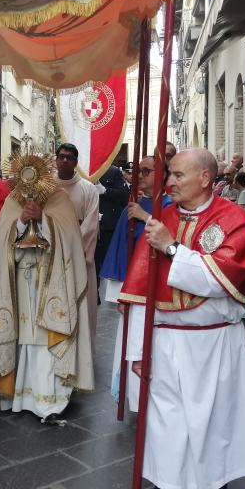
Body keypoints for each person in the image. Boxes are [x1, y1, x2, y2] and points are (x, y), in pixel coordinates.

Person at [120, 148, 245, 489]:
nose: (168, 181)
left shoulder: (235, 220)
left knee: (213, 439)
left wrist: (172, 250)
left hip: (217, 347)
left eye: (178, 175)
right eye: (168, 174)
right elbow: (141, 294)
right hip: (166, 347)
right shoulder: (161, 220)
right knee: (167, 439)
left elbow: (219, 281)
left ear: (204, 178)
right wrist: (138, 353)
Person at [0, 169, 93, 422]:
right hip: (19, 282)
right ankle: (16, 395)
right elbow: (0, 246)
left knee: (44, 340)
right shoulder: (12, 200)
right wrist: (21, 221)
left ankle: (49, 400)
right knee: (22, 338)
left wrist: (43, 219)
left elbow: (70, 241)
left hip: (51, 283)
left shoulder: (59, 199)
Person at [99, 154, 172, 409]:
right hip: (134, 290)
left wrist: (144, 217)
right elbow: (120, 249)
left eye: (147, 171)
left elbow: (172, 242)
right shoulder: (133, 206)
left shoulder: (171, 205)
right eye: (138, 171)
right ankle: (134, 398)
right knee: (132, 342)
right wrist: (120, 293)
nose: (139, 175)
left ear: (162, 173)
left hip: (161, 290)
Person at [53, 142, 100, 336]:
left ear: (76, 162)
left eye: (70, 157)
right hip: (51, 256)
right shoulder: (46, 186)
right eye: (61, 156)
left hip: (79, 257)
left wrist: (70, 246)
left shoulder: (89, 189)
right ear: (56, 159)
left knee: (81, 306)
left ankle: (83, 355)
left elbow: (90, 225)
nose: (65, 160)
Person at [95, 164, 131, 279]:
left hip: (106, 223)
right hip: (89, 221)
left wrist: (105, 191)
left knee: (106, 256)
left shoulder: (113, 171)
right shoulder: (85, 171)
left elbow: (123, 194)